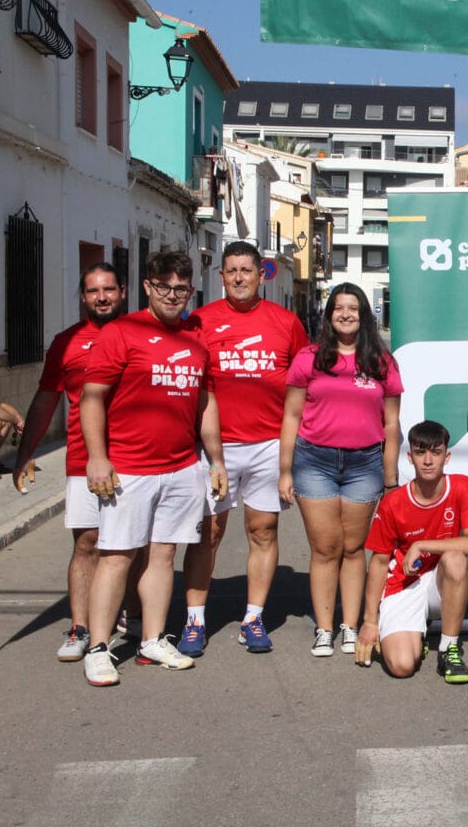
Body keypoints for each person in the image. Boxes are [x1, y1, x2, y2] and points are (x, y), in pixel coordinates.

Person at [79, 251, 227, 687]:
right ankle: (98, 647)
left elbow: (205, 403)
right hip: (129, 467)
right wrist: (97, 456)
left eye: (181, 288)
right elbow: (92, 398)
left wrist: (214, 460)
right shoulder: (122, 332)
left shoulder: (196, 340)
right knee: (117, 556)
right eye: (164, 287)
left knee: (164, 554)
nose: (172, 295)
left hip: (182, 467)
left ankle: (152, 639)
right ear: (147, 286)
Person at [177, 242, 309, 657]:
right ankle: (194, 620)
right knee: (207, 534)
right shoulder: (199, 321)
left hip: (269, 444)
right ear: (220, 277)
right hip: (216, 448)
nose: (238, 277)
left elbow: (303, 383)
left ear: (261, 275)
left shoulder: (286, 322)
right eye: (231, 270)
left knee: (263, 530)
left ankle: (253, 618)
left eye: (246, 270)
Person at [279, 283, 402, 658]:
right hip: (314, 461)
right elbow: (291, 415)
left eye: (354, 308)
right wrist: (285, 471)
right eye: (339, 308)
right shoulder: (309, 358)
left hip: (364, 463)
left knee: (353, 548)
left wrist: (391, 476)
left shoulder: (381, 361)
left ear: (365, 315)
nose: (346, 314)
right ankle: (325, 628)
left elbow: (392, 424)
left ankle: (350, 625)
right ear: (329, 315)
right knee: (325, 547)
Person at [13, 263, 124, 662]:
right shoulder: (66, 342)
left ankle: (122, 614)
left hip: (136, 458)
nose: (102, 297)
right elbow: (46, 401)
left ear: (123, 292)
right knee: (87, 543)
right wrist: (25, 453)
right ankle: (80, 627)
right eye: (93, 291)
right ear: (83, 296)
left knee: (134, 546)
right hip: (83, 460)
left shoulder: (139, 336)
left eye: (108, 289)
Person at [354, 421, 468, 683]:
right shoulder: (392, 502)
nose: (427, 460)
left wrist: (422, 544)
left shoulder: (461, 486)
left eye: (435, 452)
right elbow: (378, 563)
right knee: (401, 667)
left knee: (455, 559)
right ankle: (418, 633)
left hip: (439, 583)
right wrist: (369, 621)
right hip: (404, 585)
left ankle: (448, 648)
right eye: (420, 452)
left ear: (446, 457)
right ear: (409, 457)